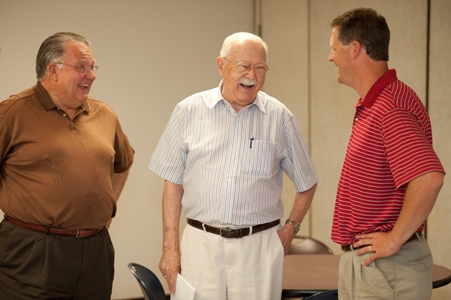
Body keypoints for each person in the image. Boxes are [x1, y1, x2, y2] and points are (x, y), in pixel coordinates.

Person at [149, 32, 318, 300]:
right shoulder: (188, 111)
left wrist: (290, 229)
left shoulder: (280, 117)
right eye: (243, 66)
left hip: (259, 247)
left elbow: (307, 182)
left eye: (260, 68)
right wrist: (170, 246)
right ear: (221, 65)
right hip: (200, 243)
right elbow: (172, 183)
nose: (252, 75)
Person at [0, 32, 134, 299]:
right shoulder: (12, 113)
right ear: (53, 70)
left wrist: (106, 212)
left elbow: (123, 163)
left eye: (92, 67)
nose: (92, 75)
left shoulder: (104, 114)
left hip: (96, 251)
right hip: (33, 250)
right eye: (82, 67)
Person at [328, 8, 445, 300]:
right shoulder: (377, 102)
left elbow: (429, 178)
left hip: (387, 269)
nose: (330, 58)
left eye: (333, 49)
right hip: (374, 267)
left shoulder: (390, 107)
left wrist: (393, 240)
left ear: (354, 49)